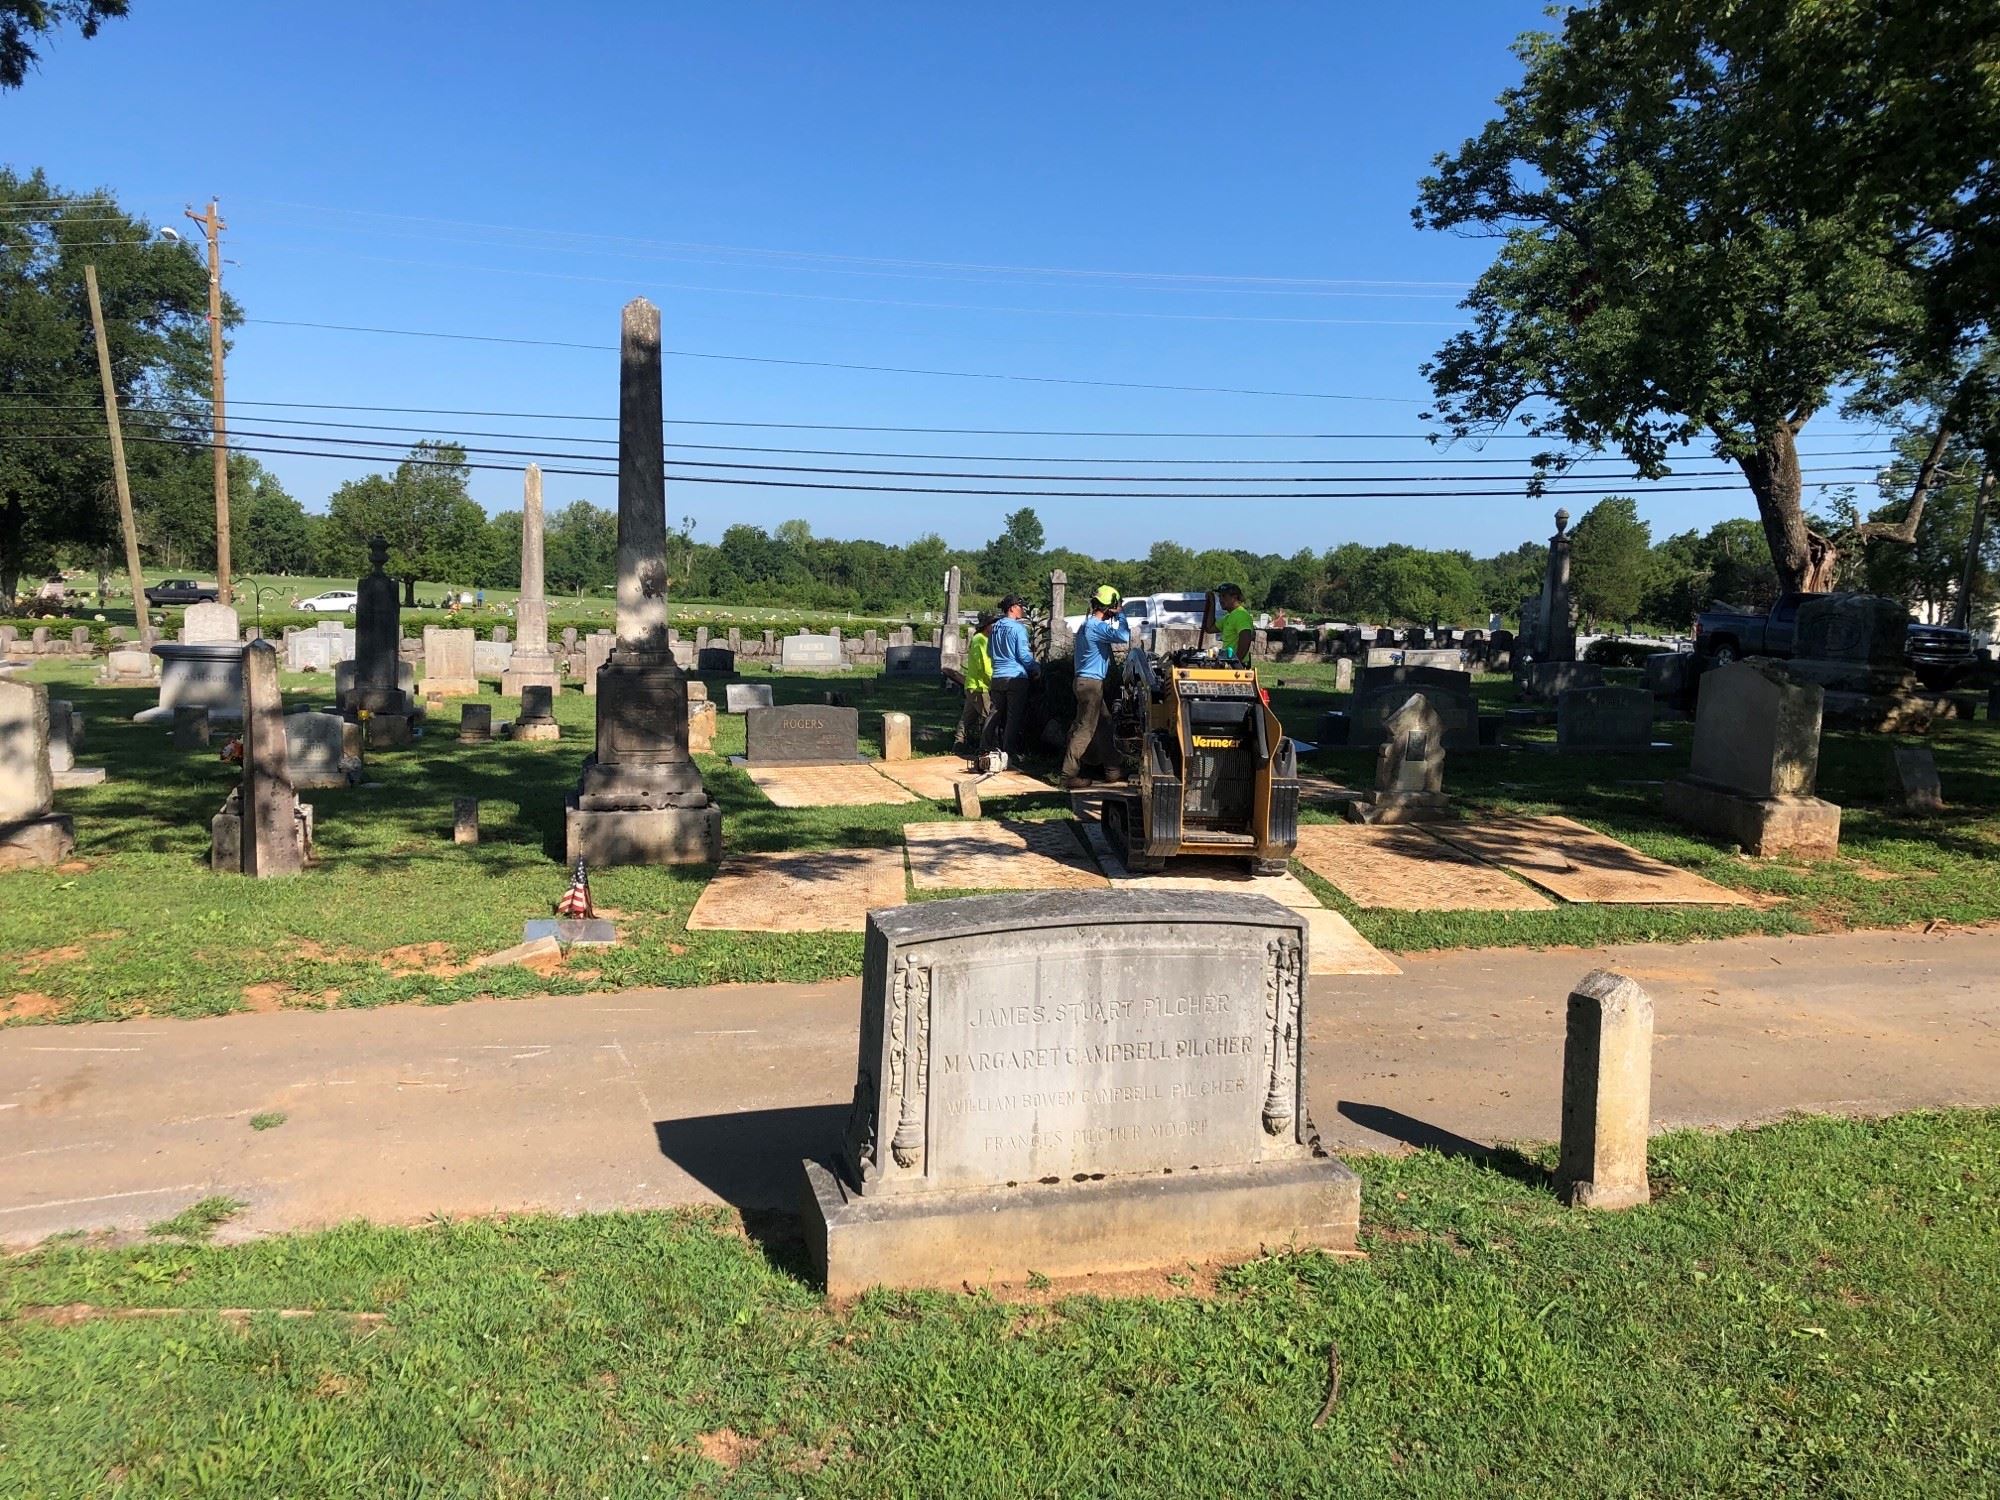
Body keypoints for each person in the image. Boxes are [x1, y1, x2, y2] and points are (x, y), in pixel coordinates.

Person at [1063, 585, 1130, 789]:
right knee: (1085, 729)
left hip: (1085, 682)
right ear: (1110, 607)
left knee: (1104, 724)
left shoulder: (1087, 625)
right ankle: (1068, 775)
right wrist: (1121, 615)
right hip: (1091, 685)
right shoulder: (1096, 627)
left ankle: (1113, 769)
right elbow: (1124, 636)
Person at [988, 594, 1038, 766]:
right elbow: (1023, 655)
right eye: (1020, 606)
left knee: (994, 714)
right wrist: (1036, 668)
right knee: (1013, 717)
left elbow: (989, 651)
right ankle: (1008, 753)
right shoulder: (1018, 628)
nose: (1022, 609)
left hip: (997, 675)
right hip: (1016, 677)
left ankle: (984, 747)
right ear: (1012, 608)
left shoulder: (995, 627)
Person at [954, 611, 997, 758]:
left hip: (974, 685)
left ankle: (958, 744)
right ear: (987, 626)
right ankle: (987, 748)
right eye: (993, 623)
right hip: (980, 686)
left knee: (967, 718)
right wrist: (994, 681)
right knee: (988, 717)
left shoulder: (983, 639)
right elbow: (984, 666)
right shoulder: (980, 640)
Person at [1213, 583, 1256, 660]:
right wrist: (1211, 604)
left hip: (1235, 664)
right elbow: (1209, 628)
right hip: (1228, 662)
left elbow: (1246, 638)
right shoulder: (1228, 617)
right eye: (1219, 596)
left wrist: (1236, 662)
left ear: (1234, 598)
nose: (1220, 600)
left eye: (1224, 596)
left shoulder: (1241, 615)